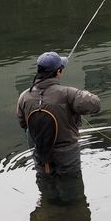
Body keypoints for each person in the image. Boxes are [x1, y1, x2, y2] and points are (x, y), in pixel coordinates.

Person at [17, 51, 101, 179]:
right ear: (58, 72)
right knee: (71, 190)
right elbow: (95, 104)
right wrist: (81, 93)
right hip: (67, 155)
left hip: (40, 153)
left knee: (45, 186)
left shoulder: (24, 96)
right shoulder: (68, 93)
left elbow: (23, 123)